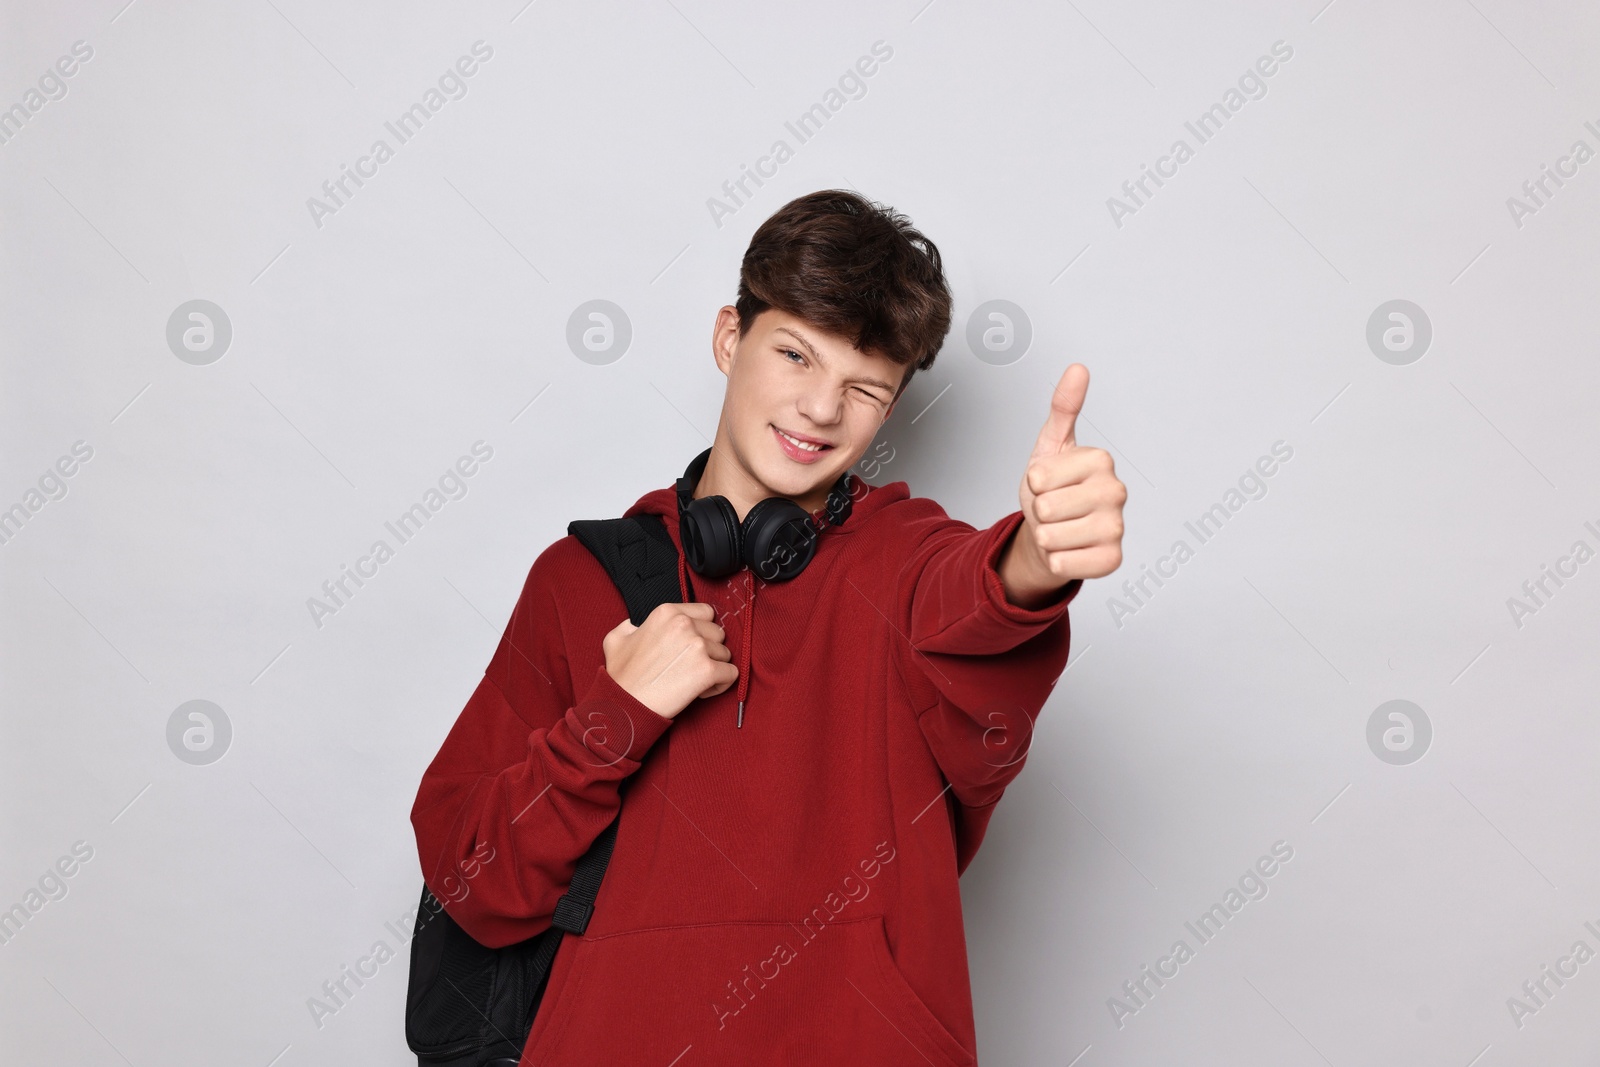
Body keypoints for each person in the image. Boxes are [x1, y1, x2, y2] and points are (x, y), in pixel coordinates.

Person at [409, 189, 1126, 1066]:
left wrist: (1037, 562)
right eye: (795, 354)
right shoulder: (580, 582)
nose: (822, 410)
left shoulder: (905, 561)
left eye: (864, 387)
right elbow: (471, 880)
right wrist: (616, 715)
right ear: (728, 338)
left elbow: (971, 599)